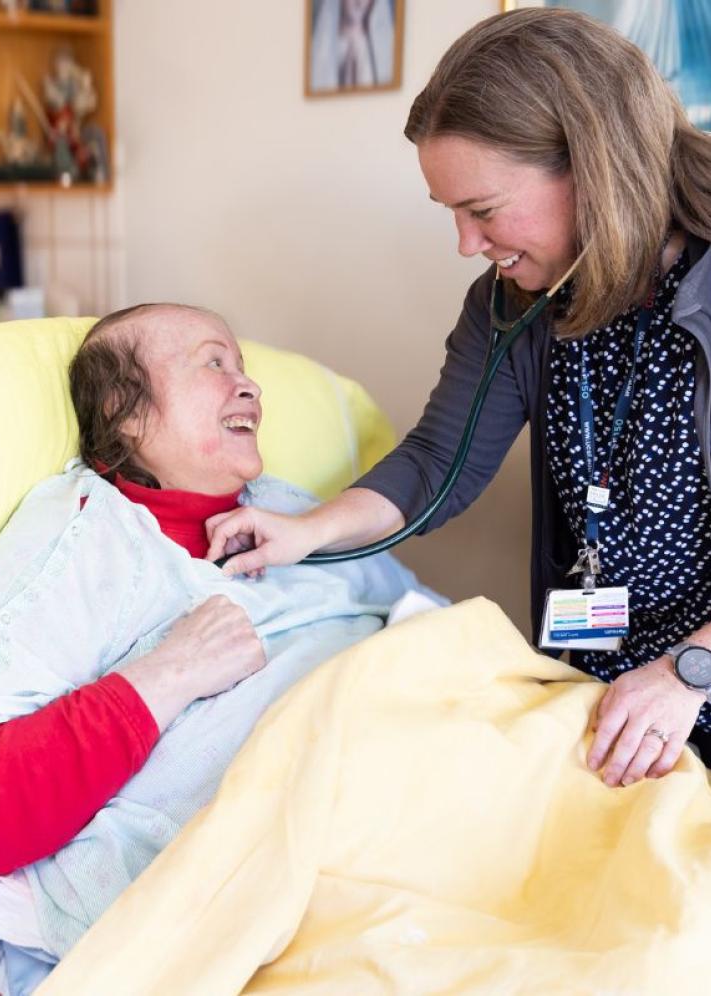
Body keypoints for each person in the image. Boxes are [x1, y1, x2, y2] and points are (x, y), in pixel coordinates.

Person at [208, 7, 711, 793]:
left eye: (481, 210)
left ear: (593, 166)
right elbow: (436, 462)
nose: (466, 245)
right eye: (451, 214)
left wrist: (688, 673)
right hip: (600, 697)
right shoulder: (515, 304)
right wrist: (304, 533)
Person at [0, 303, 433, 993]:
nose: (248, 386)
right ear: (125, 412)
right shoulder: (89, 539)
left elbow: (431, 630)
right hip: (311, 856)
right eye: (212, 363)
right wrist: (169, 673)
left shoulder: (296, 514)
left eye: (244, 367)